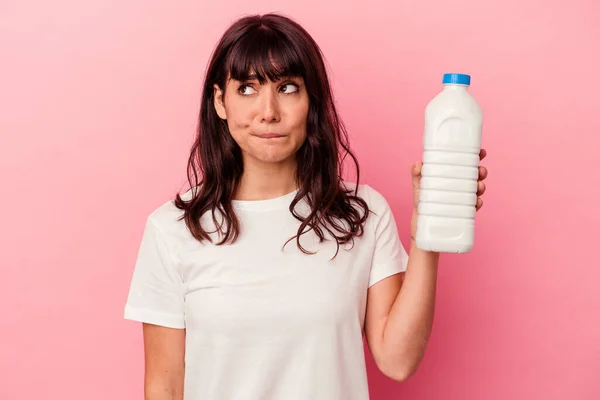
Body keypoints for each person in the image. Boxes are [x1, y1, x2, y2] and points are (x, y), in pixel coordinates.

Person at [123, 12, 488, 400]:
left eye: (288, 88)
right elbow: (165, 387)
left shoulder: (362, 213)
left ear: (311, 100)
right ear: (220, 101)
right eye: (247, 88)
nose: (268, 111)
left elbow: (398, 361)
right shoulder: (174, 229)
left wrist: (426, 233)